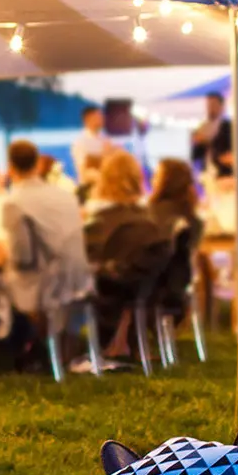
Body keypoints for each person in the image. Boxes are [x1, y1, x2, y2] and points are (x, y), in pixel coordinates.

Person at [0, 139, 91, 361]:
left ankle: (1, 351)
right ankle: (26, 345)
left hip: (41, 284)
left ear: (10, 168)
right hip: (77, 278)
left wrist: (2, 255)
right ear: (37, 164)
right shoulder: (65, 196)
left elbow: (22, 260)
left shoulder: (15, 202)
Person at [84, 150, 171, 359]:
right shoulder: (151, 220)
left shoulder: (97, 222)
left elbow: (85, 260)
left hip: (107, 289)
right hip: (145, 292)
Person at [148, 157, 199, 234]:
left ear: (169, 182)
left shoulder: (153, 213)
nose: (152, 181)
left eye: (156, 176)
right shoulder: (194, 218)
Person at [189, 93, 231, 173]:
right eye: (208, 105)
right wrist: (196, 143)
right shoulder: (203, 127)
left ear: (221, 106)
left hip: (223, 172)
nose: (210, 108)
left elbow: (226, 150)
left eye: (213, 104)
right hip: (207, 171)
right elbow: (195, 155)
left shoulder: (229, 126)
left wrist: (206, 141)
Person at [70, 106, 114, 178]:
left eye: (101, 117)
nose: (102, 119)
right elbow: (83, 170)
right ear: (87, 119)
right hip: (90, 185)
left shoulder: (104, 137)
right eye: (98, 117)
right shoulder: (81, 142)